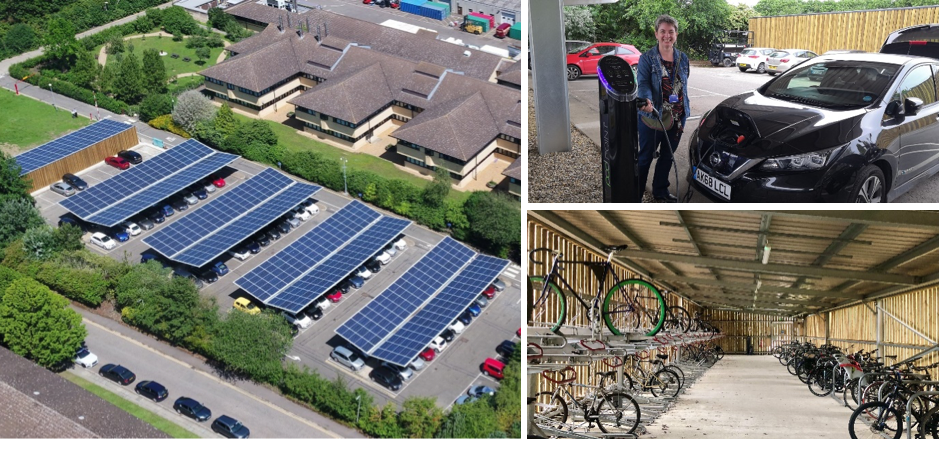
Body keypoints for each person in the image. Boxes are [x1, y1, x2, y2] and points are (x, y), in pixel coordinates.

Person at [636, 14, 690, 203]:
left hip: (677, 118)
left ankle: (660, 191)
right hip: (652, 116)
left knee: (667, 156)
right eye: (663, 32)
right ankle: (635, 194)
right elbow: (642, 83)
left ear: (676, 34)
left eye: (671, 32)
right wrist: (647, 101)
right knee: (644, 158)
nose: (667, 36)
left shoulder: (683, 58)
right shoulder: (647, 58)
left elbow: (683, 84)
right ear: (656, 34)